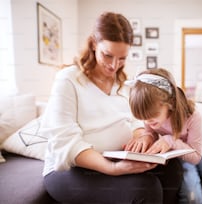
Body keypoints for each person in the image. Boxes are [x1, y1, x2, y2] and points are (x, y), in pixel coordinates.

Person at [40, 12, 182, 203]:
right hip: (70, 170)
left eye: (122, 58)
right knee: (146, 188)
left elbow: (136, 122)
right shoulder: (68, 79)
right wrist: (113, 169)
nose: (114, 65)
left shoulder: (124, 85)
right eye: (108, 55)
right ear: (93, 44)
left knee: (172, 168)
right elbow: (66, 142)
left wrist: (144, 136)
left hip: (115, 158)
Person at [125, 68, 202, 204]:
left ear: (169, 103)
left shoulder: (192, 116)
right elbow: (151, 133)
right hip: (178, 156)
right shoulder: (150, 117)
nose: (148, 122)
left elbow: (195, 157)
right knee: (193, 199)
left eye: (152, 117)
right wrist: (147, 137)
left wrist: (170, 140)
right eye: (144, 119)